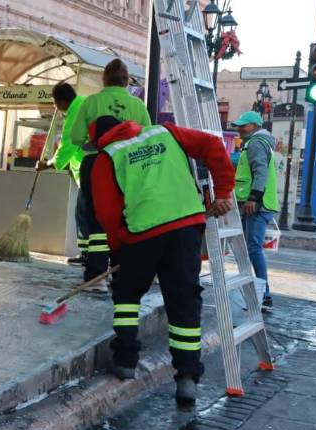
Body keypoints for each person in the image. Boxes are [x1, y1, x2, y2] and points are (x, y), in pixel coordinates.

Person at [88, 115, 234, 407]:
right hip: (185, 230)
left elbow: (107, 213)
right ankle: (187, 376)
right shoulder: (165, 133)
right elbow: (212, 145)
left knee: (127, 296)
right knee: (184, 302)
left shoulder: (107, 157)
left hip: (141, 235)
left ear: (98, 139)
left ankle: (125, 359)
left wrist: (118, 248)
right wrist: (223, 192)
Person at [69, 58, 151, 290]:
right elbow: (147, 136)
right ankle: (121, 274)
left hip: (96, 162)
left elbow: (75, 137)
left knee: (95, 218)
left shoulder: (92, 101)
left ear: (104, 79)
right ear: (127, 81)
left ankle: (96, 277)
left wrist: (94, 140)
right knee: (123, 217)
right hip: (127, 165)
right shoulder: (137, 105)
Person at [231, 111, 278, 312]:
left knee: (253, 249)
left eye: (244, 125)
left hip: (257, 205)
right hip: (257, 204)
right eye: (239, 125)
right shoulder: (255, 143)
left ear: (255, 125)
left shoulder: (256, 143)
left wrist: (253, 198)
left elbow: (260, 172)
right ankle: (259, 295)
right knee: (251, 249)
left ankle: (264, 296)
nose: (239, 129)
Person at [37, 82, 87, 265]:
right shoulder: (84, 103)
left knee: (83, 214)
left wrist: (48, 164)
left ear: (62, 101)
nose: (55, 108)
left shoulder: (74, 114)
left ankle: (88, 256)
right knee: (88, 214)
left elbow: (68, 146)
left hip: (88, 169)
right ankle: (92, 256)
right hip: (94, 168)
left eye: (54, 103)